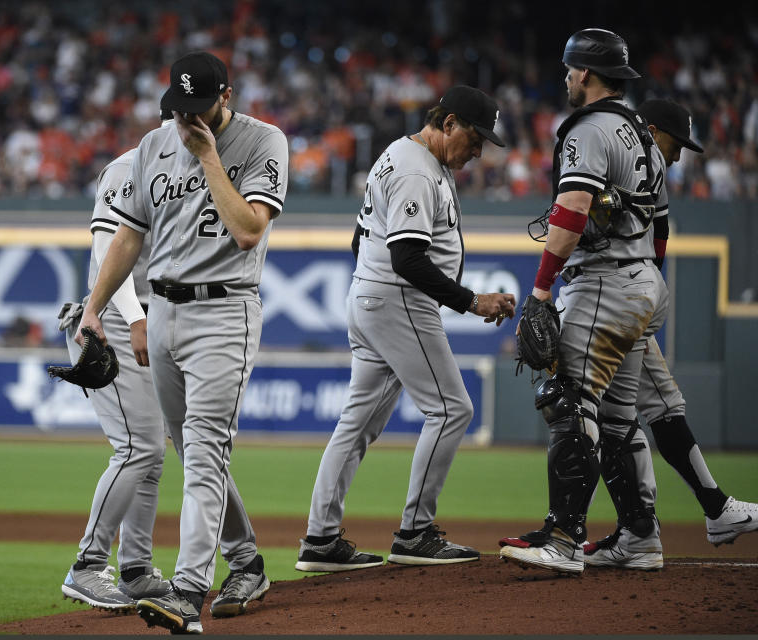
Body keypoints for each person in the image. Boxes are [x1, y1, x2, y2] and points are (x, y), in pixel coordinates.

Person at [76, 51, 288, 635]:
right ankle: (245, 562)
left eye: (199, 107)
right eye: (179, 108)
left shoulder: (264, 141)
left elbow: (248, 231)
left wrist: (209, 158)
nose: (186, 119)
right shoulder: (152, 146)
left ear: (227, 95)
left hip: (226, 309)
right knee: (189, 448)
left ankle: (189, 591)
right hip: (163, 310)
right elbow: (127, 237)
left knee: (204, 451)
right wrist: (95, 309)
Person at [295, 86, 516, 573]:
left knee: (356, 424)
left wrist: (369, 290)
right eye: (476, 138)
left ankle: (320, 540)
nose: (479, 151)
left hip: (374, 297)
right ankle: (415, 532)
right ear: (450, 122)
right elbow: (407, 257)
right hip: (397, 299)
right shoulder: (417, 167)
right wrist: (470, 301)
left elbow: (360, 237)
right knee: (452, 409)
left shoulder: (402, 155)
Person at [498, 28, 670, 575]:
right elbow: (661, 227)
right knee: (618, 419)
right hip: (643, 278)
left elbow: (571, 212)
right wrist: (642, 287)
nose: (567, 78)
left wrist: (542, 289)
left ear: (587, 75)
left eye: (571, 70)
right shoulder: (642, 133)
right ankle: (640, 535)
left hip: (602, 278)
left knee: (568, 400)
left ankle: (565, 537)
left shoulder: (591, 129)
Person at [583, 99, 758, 569]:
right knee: (658, 406)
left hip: (618, 293)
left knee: (611, 413)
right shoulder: (632, 157)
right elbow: (651, 237)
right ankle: (704, 511)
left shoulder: (643, 166)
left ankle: (639, 529)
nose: (679, 156)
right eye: (675, 143)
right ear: (653, 129)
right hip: (621, 292)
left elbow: (651, 235)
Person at [58, 142, 173, 613]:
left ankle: (137, 570)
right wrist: (134, 318)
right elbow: (111, 248)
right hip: (111, 320)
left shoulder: (190, 166)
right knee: (137, 447)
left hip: (152, 319)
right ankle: (86, 566)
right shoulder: (131, 165)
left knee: (152, 454)